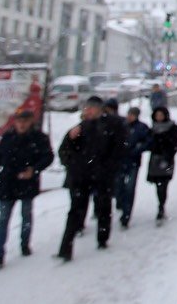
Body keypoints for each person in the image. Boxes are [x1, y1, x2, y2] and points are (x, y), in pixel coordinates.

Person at [56, 96, 126, 261]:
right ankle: (65, 248)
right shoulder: (79, 128)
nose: (87, 111)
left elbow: (119, 150)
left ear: (99, 109)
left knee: (103, 207)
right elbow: (63, 151)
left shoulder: (112, 125)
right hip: (81, 177)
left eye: (91, 108)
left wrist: (108, 169)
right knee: (75, 211)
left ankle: (102, 239)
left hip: (102, 177)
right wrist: (72, 161)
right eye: (86, 108)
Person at [0, 110, 53, 268]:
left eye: (25, 121)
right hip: (7, 182)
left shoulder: (39, 138)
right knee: (3, 219)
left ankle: (25, 244)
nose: (21, 124)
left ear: (30, 122)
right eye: (19, 121)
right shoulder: (8, 137)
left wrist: (34, 169)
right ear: (14, 122)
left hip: (27, 182)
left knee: (26, 215)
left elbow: (48, 157)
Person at [115, 106, 150, 229]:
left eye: (132, 115)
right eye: (129, 114)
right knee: (119, 186)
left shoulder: (141, 127)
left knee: (130, 188)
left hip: (133, 162)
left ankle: (126, 215)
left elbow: (148, 141)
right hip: (120, 161)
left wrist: (137, 149)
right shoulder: (121, 125)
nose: (130, 117)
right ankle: (120, 203)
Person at [147, 106, 177, 222]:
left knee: (163, 184)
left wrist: (168, 156)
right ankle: (161, 204)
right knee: (158, 184)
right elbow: (148, 143)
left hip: (166, 159)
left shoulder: (171, 127)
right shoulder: (152, 128)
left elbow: (174, 144)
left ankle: (161, 206)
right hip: (155, 159)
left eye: (161, 115)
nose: (159, 117)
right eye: (157, 115)